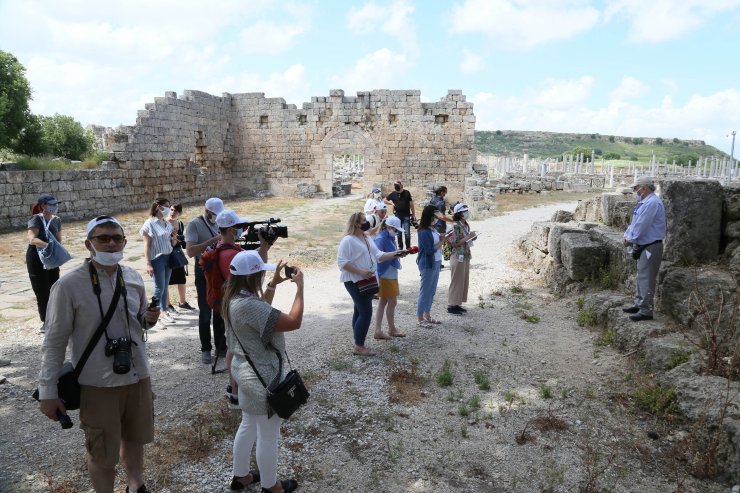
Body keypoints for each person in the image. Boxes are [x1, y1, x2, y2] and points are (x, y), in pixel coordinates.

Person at [38, 215, 160, 493]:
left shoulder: (133, 276)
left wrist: (149, 318)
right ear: (88, 244)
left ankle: (136, 486)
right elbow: (54, 342)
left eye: (117, 238)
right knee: (101, 450)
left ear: (124, 243)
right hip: (98, 382)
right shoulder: (68, 286)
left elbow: (139, 322)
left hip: (137, 375)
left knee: (135, 438)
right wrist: (48, 390)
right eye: (103, 238)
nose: (111, 244)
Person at [223, 250, 302, 493]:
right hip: (263, 378)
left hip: (245, 373)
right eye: (260, 274)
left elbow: (259, 313)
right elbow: (293, 322)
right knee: (268, 436)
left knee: (248, 424)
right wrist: (300, 288)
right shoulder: (248, 305)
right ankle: (271, 486)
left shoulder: (233, 299)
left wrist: (272, 285)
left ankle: (241, 476)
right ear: (251, 277)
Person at [214, 209, 273, 409]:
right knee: (235, 348)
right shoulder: (230, 253)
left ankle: (234, 391)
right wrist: (263, 248)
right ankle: (235, 392)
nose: (243, 230)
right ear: (231, 230)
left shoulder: (223, 247)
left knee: (233, 346)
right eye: (240, 227)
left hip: (229, 303)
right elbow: (252, 276)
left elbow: (254, 265)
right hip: (237, 305)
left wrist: (263, 247)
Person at [337, 212, 406, 355]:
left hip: (367, 280)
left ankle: (358, 341)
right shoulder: (348, 240)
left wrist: (397, 253)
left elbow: (379, 256)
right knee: (366, 312)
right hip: (354, 280)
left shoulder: (366, 237)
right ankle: (359, 346)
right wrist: (361, 272)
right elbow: (342, 263)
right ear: (356, 223)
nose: (366, 222)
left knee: (359, 310)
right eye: (363, 220)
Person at [185, 197, 225, 364]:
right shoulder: (194, 224)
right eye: (214, 214)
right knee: (205, 312)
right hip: (203, 271)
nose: (216, 218)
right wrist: (214, 240)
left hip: (218, 271)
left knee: (219, 310)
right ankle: (206, 350)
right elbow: (190, 251)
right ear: (207, 211)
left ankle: (221, 347)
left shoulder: (219, 223)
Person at [622, 177, 666, 322]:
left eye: (635, 189)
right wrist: (628, 235)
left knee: (647, 277)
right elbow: (635, 223)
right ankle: (639, 304)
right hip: (645, 245)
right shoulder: (645, 202)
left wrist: (630, 239)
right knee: (642, 276)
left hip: (651, 245)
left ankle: (646, 310)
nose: (634, 192)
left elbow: (642, 225)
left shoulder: (652, 203)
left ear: (644, 188)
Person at [26, 193, 63, 332]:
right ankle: (46, 322)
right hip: (36, 257)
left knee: (55, 288)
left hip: (52, 256)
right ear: (43, 206)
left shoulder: (57, 220)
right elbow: (32, 238)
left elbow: (59, 239)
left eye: (56, 204)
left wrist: (57, 250)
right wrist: (47, 245)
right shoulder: (36, 219)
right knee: (42, 291)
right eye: (52, 204)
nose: (55, 207)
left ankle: (56, 319)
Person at [140, 198, 175, 322]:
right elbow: (147, 245)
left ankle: (163, 311)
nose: (168, 209)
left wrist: (175, 234)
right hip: (157, 258)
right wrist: (148, 263)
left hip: (168, 257)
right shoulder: (149, 223)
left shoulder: (166, 223)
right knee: (159, 287)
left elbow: (171, 240)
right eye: (166, 206)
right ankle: (151, 311)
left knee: (165, 286)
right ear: (158, 207)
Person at [373, 216, 406, 339]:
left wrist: (398, 253)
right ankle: (391, 328)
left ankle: (378, 330)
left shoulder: (389, 237)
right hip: (385, 273)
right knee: (392, 301)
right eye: (395, 229)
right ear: (389, 227)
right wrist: (395, 254)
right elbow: (379, 257)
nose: (396, 232)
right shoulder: (381, 238)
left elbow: (390, 253)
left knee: (383, 301)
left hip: (390, 272)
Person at [417, 204, 445, 326]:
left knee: (432, 290)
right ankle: (420, 318)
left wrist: (442, 237)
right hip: (428, 264)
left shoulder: (433, 229)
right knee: (425, 291)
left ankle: (427, 315)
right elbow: (429, 250)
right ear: (430, 216)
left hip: (436, 262)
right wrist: (441, 242)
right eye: (436, 216)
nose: (438, 218)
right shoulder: (423, 231)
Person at [447, 203, 477, 315]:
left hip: (465, 255)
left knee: (463, 280)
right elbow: (454, 243)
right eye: (464, 211)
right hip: (457, 255)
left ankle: (457, 303)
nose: (466, 213)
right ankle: (451, 305)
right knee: (456, 281)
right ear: (459, 213)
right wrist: (468, 237)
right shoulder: (454, 226)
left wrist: (472, 238)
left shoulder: (465, 224)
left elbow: (465, 239)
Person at [167, 203, 194, 311]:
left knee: (181, 279)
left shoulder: (180, 223)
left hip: (177, 254)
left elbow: (183, 243)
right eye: (172, 209)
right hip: (167, 254)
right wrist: (173, 238)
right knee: (166, 281)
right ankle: (167, 304)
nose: (173, 212)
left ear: (180, 213)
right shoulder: (163, 222)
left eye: (176, 211)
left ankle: (182, 302)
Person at [384, 180, 416, 249]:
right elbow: (385, 200)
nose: (397, 188)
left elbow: (411, 204)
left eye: (398, 186)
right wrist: (391, 203)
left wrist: (413, 214)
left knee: (407, 232)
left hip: (406, 215)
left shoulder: (407, 193)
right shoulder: (393, 194)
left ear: (401, 186)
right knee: (399, 233)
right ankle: (400, 247)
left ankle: (408, 247)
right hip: (397, 216)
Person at [429, 186, 453, 268]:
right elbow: (441, 216)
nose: (445, 194)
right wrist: (452, 220)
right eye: (445, 192)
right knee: (439, 244)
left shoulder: (432, 199)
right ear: (442, 192)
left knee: (434, 243)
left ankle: (436, 262)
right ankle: (438, 263)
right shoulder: (441, 203)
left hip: (432, 224)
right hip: (440, 225)